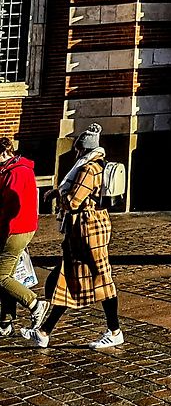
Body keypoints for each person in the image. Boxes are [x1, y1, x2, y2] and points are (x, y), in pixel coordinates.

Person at [22, 124, 124, 351]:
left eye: (78, 149)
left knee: (102, 278)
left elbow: (74, 201)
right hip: (82, 230)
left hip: (88, 230)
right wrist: (59, 191)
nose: (76, 153)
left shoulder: (88, 169)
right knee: (67, 280)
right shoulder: (94, 166)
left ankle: (115, 331)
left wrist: (61, 197)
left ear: (83, 149)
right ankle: (43, 332)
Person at [0, 138, 46, 338]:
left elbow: (10, 208)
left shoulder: (16, 172)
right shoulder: (13, 168)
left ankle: (35, 303)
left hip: (14, 230)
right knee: (7, 274)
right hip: (20, 228)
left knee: (1, 277)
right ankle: (5, 322)